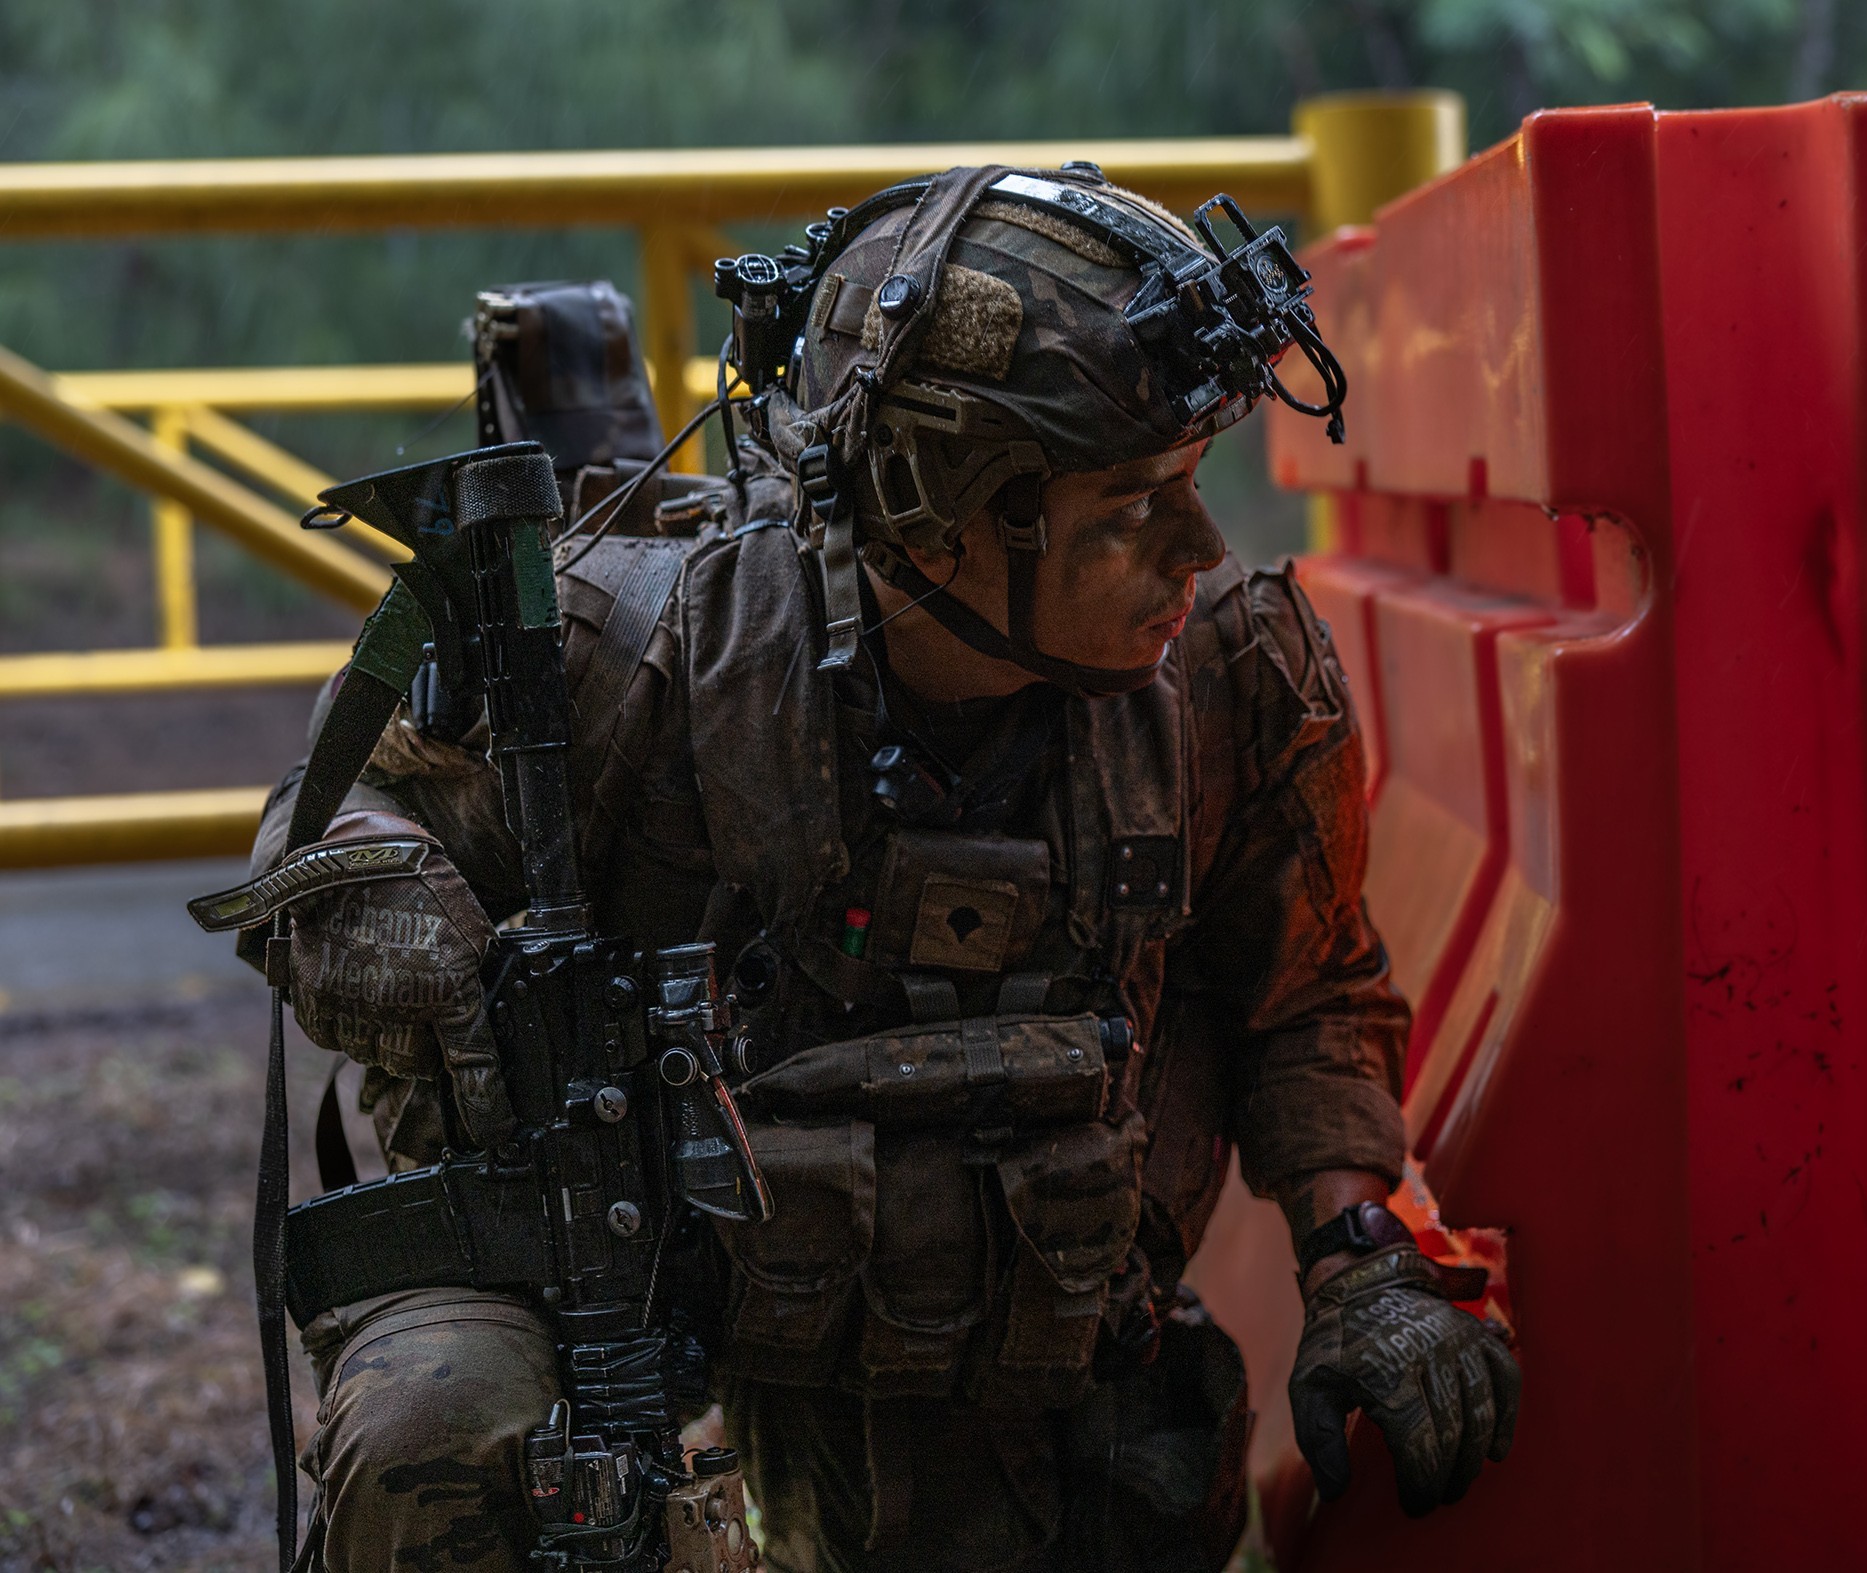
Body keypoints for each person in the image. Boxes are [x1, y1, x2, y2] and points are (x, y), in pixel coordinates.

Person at [251, 163, 1518, 1573]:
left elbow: (1307, 1002)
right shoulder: (629, 657)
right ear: (937, 511)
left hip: (1014, 1349)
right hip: (661, 1330)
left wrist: (1365, 1260)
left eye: (1195, 483)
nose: (1202, 549)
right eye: (1129, 506)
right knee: (442, 1425)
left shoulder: (1231, 686)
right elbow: (330, 819)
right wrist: (415, 933)